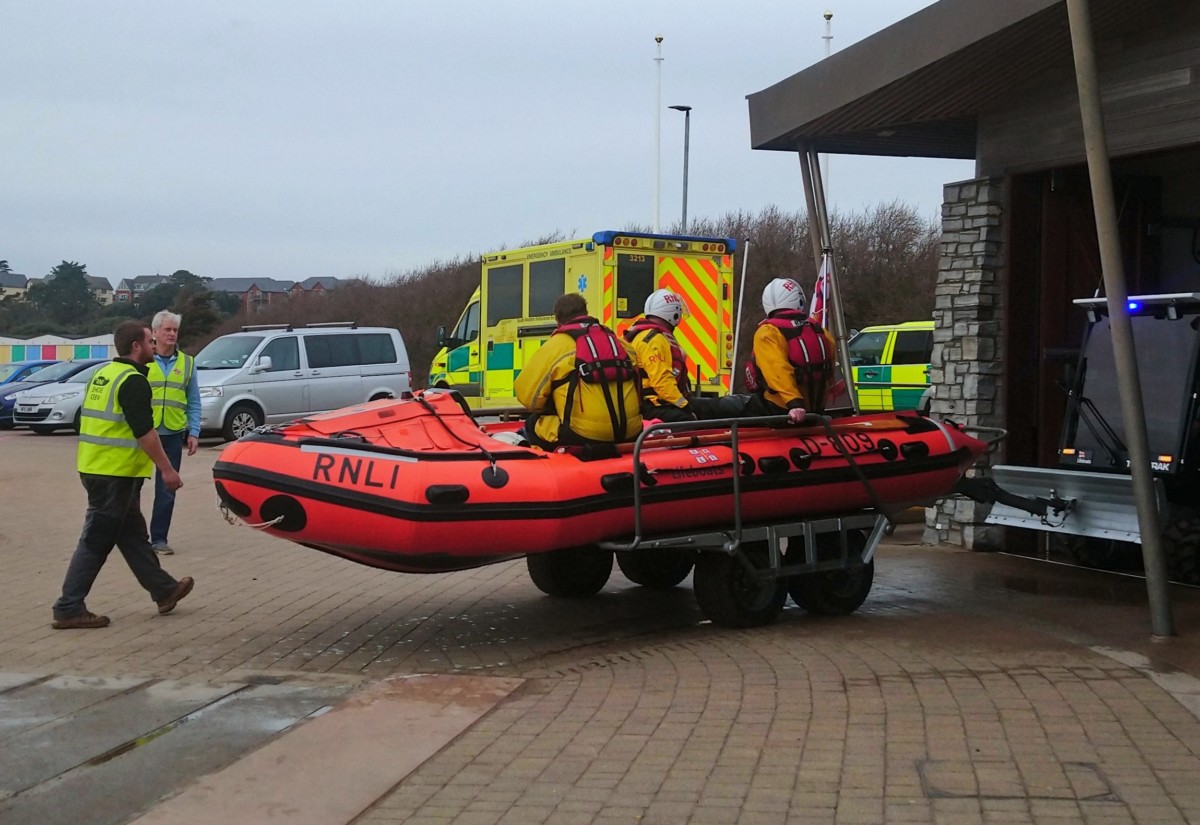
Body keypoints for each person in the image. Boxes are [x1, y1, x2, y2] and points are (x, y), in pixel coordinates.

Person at [51, 320, 195, 629]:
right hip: (112, 473)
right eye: (149, 341)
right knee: (96, 540)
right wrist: (168, 471)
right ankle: (68, 607)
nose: (154, 346)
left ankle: (164, 589)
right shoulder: (132, 381)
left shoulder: (103, 374)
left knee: (132, 535)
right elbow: (145, 433)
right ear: (136, 346)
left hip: (99, 467)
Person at [515, 293, 642, 452]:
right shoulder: (621, 344)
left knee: (532, 424)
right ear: (586, 312)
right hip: (632, 433)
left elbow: (528, 399)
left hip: (581, 436)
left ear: (558, 320)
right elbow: (638, 390)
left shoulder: (555, 348)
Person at [624, 288, 746, 422]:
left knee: (714, 406)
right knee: (696, 415)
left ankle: (742, 405)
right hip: (655, 405)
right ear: (673, 314)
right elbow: (662, 382)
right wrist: (684, 406)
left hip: (658, 402)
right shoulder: (655, 340)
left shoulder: (646, 336)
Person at [744, 278, 836, 423]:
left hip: (781, 410)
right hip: (816, 408)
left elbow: (778, 370)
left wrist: (794, 403)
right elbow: (830, 366)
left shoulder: (768, 332)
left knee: (726, 407)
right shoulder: (820, 331)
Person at [147, 310, 200, 555]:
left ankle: (158, 539)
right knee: (131, 487)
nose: (171, 334)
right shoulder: (143, 361)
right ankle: (131, 537)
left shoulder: (188, 363)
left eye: (175, 330)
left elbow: (194, 400)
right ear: (155, 332)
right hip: (144, 433)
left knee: (167, 488)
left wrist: (194, 431)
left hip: (172, 433)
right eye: (167, 329)